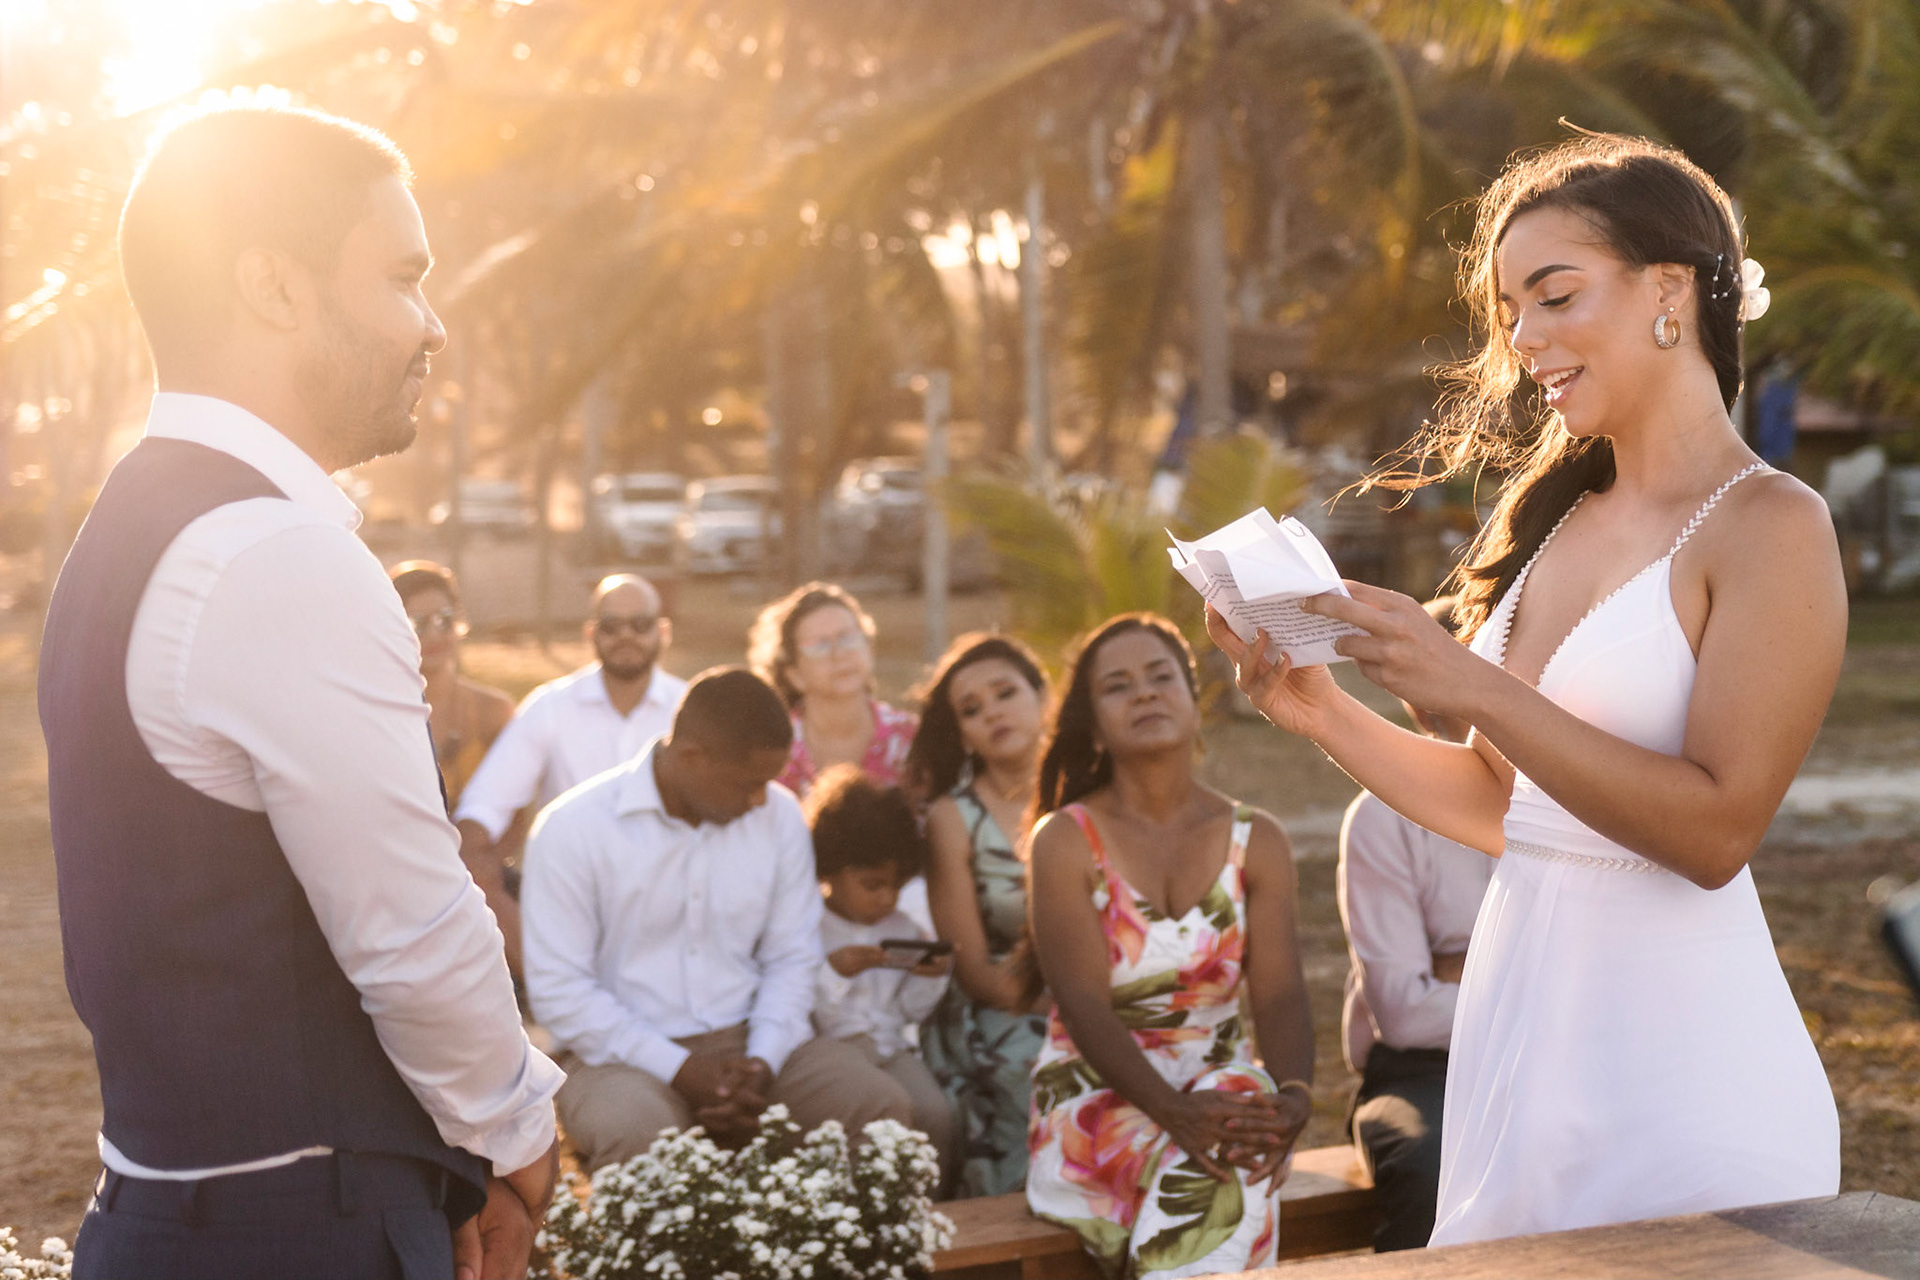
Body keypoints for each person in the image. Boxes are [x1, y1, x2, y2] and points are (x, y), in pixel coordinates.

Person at [1209, 133, 1842, 1245]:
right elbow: (1510, 812)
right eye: (1510, 309)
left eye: (1553, 295)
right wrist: (1316, 708)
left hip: (1680, 1064)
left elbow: (1716, 831)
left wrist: (1474, 684)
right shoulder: (1553, 519)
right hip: (1522, 1045)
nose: (1525, 339)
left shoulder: (1771, 524)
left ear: (1670, 290)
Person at [40, 105, 560, 1280]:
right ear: (274, 287)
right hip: (301, 1235)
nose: (432, 324)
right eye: (402, 277)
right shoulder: (275, 554)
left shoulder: (120, 536)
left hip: (166, 1217)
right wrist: (520, 1136)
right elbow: (415, 929)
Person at [521, 667, 922, 1172]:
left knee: (877, 1107)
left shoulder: (778, 816)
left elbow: (792, 959)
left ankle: (846, 1254)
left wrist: (762, 1062)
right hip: (615, 1057)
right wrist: (680, 1067)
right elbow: (561, 992)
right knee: (641, 1136)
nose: (760, 799)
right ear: (691, 756)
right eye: (748, 784)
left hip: (757, 1038)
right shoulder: (571, 830)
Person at [1025, 615, 1315, 1279]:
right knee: (1232, 1160)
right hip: (1100, 1101)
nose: (1146, 694)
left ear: (1193, 700)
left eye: (1161, 678)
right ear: (1093, 724)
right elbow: (1080, 1002)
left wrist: (1295, 1094)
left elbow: (1280, 992)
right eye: (1119, 686)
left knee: (1242, 1118)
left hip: (1221, 1099)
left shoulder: (1256, 839)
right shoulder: (1065, 839)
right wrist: (1172, 1111)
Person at [1336, 598, 1492, 1252]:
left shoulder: (1567, 793)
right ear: (1416, 705)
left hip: (1560, 1051)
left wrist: (1461, 968)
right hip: (1422, 1071)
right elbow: (1400, 1012)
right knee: (1431, 1171)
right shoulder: (1384, 815)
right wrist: (1530, 972)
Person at [453, 572, 685, 976]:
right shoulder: (550, 707)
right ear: (591, 632)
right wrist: (475, 859)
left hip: (674, 906)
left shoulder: (688, 709)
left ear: (663, 632)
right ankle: (553, 985)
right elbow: (486, 804)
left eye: (640, 624)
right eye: (611, 625)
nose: (626, 635)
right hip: (572, 905)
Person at [907, 633, 1052, 1198]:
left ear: (1043, 698)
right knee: (1036, 1065)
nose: (992, 711)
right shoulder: (953, 817)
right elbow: (976, 975)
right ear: (962, 734)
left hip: (1104, 993)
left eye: (1006, 692)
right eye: (972, 709)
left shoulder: (1095, 790)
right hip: (1003, 1008)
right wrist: (1082, 1012)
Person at [804, 764, 959, 1175]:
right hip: (836, 1051)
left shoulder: (904, 928)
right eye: (872, 885)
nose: (886, 898)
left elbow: (910, 1011)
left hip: (891, 1047)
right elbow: (810, 1011)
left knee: (936, 1114)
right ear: (831, 870)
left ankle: (929, 1206)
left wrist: (933, 976)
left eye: (896, 885)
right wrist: (834, 973)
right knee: (889, 1111)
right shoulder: (808, 926)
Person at [747, 581, 917, 798]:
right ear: (794, 675)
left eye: (848, 638)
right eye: (820, 645)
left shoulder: (909, 737)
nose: (839, 654)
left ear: (868, 648)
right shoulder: (773, 750)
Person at [388, 560, 514, 808]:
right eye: (417, 624)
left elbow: (514, 814)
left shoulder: (494, 711)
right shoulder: (379, 713)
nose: (434, 635)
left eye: (444, 619)